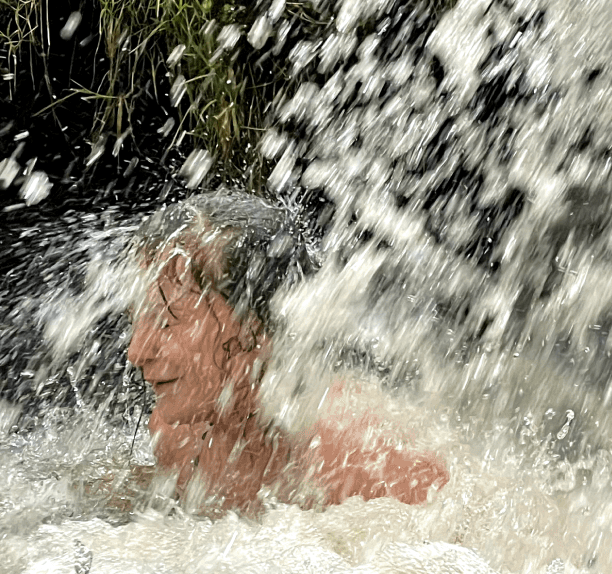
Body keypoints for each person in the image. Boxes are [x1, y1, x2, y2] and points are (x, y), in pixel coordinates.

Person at [125, 190, 448, 513]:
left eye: (165, 322)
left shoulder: (378, 466)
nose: (136, 352)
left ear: (255, 328)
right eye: (136, 320)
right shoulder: (177, 435)